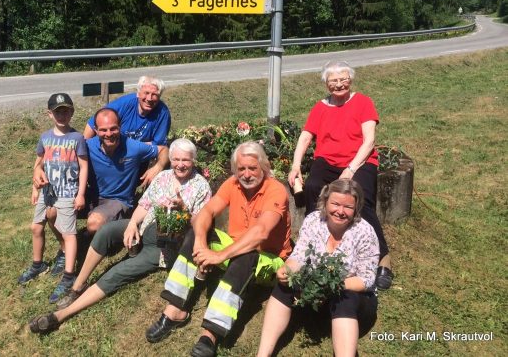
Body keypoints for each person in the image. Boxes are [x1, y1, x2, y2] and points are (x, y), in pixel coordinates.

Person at [28, 138, 212, 334]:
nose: (180, 164)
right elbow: (145, 204)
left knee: (118, 271)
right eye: (176, 159)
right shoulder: (164, 177)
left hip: (163, 247)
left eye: (186, 160)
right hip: (144, 226)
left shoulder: (201, 187)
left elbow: (201, 226)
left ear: (194, 160)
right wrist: (133, 223)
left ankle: (60, 315)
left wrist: (184, 209)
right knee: (107, 231)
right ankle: (78, 286)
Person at [145, 142, 292, 357]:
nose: (247, 174)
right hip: (235, 247)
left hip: (268, 259)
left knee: (245, 255)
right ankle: (175, 309)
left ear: (264, 167)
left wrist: (220, 255)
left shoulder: (275, 190)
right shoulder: (233, 183)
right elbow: (206, 212)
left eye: (253, 168)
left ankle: (211, 333)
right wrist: (199, 242)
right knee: (197, 230)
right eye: (241, 169)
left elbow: (260, 233)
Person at [288, 61, 393, 289]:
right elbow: (306, 137)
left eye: (343, 79)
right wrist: (295, 165)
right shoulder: (320, 107)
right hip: (326, 160)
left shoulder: (363, 102)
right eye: (333, 81)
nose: (339, 84)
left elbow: (369, 141)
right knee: (314, 188)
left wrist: (351, 169)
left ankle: (383, 259)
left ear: (350, 80)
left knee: (361, 199)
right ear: (326, 84)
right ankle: (315, 248)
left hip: (359, 159)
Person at [43, 107, 162, 303]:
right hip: (90, 196)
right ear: (96, 130)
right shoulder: (86, 145)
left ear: (120, 127)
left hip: (118, 201)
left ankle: (91, 239)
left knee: (94, 223)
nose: (109, 134)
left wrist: (157, 166)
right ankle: (66, 249)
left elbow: (162, 149)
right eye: (103, 130)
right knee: (52, 213)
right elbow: (54, 154)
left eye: (113, 129)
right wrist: (39, 170)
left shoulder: (134, 147)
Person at [256, 179, 379, 357]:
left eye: (348, 207)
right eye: (335, 204)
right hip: (316, 297)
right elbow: (299, 255)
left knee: (345, 299)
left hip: (355, 303)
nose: (340, 211)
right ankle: (263, 354)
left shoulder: (365, 232)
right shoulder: (314, 221)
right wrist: (288, 268)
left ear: (356, 208)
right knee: (285, 284)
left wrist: (334, 285)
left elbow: (367, 279)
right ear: (325, 201)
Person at [18, 93, 88, 291]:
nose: (62, 115)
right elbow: (38, 164)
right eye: (58, 111)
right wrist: (34, 187)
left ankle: (69, 275)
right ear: (50, 114)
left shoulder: (77, 138)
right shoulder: (45, 138)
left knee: (68, 232)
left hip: (67, 191)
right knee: (36, 227)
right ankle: (38, 264)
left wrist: (80, 193)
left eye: (66, 110)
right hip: (47, 191)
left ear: (72, 112)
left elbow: (84, 167)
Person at [83, 76, 171, 186]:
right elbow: (93, 124)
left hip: (135, 157)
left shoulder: (162, 113)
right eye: (146, 93)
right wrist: (83, 153)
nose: (149, 98)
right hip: (110, 148)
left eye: (155, 95)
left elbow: (159, 146)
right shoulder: (125, 104)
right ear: (138, 93)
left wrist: (158, 167)